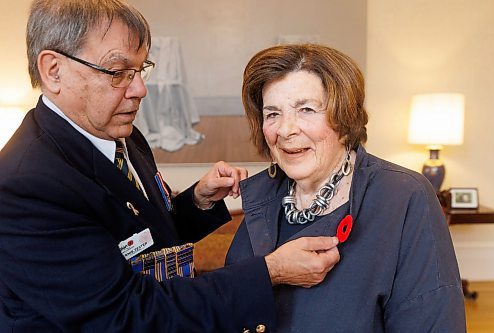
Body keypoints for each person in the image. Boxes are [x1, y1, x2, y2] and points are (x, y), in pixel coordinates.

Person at [0, 2, 341, 332]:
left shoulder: (121, 137)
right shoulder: (26, 185)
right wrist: (269, 272)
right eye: (118, 72)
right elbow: (127, 316)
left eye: (140, 70)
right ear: (54, 70)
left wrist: (197, 202)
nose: (140, 90)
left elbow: (139, 237)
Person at [225, 44, 466, 332]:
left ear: (344, 116)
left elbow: (432, 323)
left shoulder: (403, 196)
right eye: (272, 114)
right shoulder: (261, 196)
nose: (286, 130)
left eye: (306, 109)